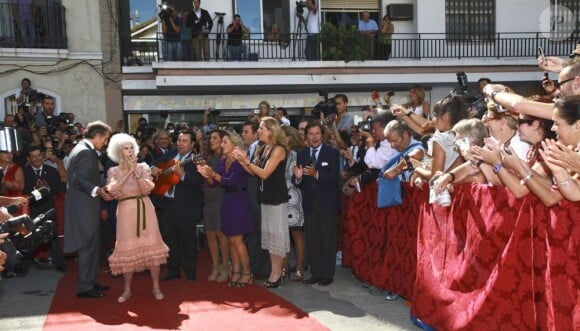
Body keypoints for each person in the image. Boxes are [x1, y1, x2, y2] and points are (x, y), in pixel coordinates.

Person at [104, 133, 169, 303]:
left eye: (132, 147)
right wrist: (127, 174)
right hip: (125, 211)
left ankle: (156, 287)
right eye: (126, 148)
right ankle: (126, 290)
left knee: (152, 249)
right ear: (119, 152)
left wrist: (137, 173)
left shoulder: (144, 167)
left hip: (145, 208)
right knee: (127, 251)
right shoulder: (113, 171)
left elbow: (148, 189)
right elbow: (114, 191)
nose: (130, 151)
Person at [232, 117, 289, 288]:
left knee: (277, 238)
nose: (258, 131)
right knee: (270, 238)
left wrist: (246, 160)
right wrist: (242, 161)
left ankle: (278, 273)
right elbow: (252, 172)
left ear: (271, 131)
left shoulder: (279, 149)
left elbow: (264, 173)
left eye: (262, 128)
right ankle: (274, 271)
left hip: (277, 198)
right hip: (264, 197)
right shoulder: (264, 148)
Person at [63, 121, 114, 299]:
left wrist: (104, 184)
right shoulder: (84, 152)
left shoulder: (82, 149)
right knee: (88, 248)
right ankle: (85, 287)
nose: (105, 143)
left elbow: (88, 177)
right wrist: (98, 190)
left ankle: (91, 281)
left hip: (86, 206)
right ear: (97, 136)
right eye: (105, 139)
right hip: (84, 208)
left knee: (92, 247)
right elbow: (79, 180)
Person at [198, 131, 254, 287]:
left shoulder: (239, 161)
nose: (221, 145)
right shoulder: (224, 161)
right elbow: (214, 183)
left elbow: (233, 182)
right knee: (230, 240)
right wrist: (206, 175)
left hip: (239, 200)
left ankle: (247, 273)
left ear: (234, 144)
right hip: (228, 201)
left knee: (237, 240)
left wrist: (213, 174)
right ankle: (236, 271)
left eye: (225, 142)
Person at [292, 121, 340, 286]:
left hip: (327, 204)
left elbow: (335, 178)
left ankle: (327, 274)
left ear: (322, 135)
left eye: (317, 133)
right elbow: (298, 180)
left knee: (327, 238)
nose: (314, 137)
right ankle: (316, 273)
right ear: (306, 136)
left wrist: (316, 173)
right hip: (310, 203)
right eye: (311, 134)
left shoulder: (332, 153)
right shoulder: (302, 153)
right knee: (312, 239)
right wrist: (298, 177)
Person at [151, 130, 203, 281]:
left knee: (187, 240)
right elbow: (154, 163)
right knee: (170, 238)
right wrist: (153, 168)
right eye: (179, 141)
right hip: (167, 204)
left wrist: (183, 176)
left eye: (185, 141)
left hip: (186, 206)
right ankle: (173, 270)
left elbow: (198, 182)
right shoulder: (172, 153)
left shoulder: (197, 159)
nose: (180, 144)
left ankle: (190, 272)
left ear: (193, 144)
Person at [23, 146, 66, 272]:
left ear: (42, 156)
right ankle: (24, 266)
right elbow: (23, 189)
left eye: (39, 155)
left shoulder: (52, 170)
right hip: (32, 209)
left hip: (48, 208)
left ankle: (60, 264)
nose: (37, 159)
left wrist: (46, 189)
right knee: (29, 236)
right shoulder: (24, 172)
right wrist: (34, 189)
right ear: (29, 158)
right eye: (33, 156)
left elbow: (58, 188)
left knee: (53, 236)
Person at [241, 121, 270, 278]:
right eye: (242, 132)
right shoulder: (246, 150)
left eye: (246, 132)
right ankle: (254, 266)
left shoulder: (263, 149)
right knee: (251, 235)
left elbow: (256, 173)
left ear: (254, 134)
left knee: (261, 235)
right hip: (248, 198)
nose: (243, 135)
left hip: (259, 198)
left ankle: (264, 269)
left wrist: (244, 161)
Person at [200, 129, 229, 282]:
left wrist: (207, 173)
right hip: (209, 200)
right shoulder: (209, 157)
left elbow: (218, 181)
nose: (212, 141)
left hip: (220, 198)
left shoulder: (225, 158)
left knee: (221, 234)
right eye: (210, 138)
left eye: (215, 138)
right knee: (210, 233)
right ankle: (216, 266)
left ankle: (225, 267)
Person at [282, 126, 306, 282]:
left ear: (291, 137)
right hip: (279, 198)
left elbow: (299, 178)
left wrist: (295, 180)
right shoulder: (279, 154)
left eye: (284, 136)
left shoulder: (296, 155)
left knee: (296, 234)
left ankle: (299, 269)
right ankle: (284, 268)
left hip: (294, 198)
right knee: (283, 236)